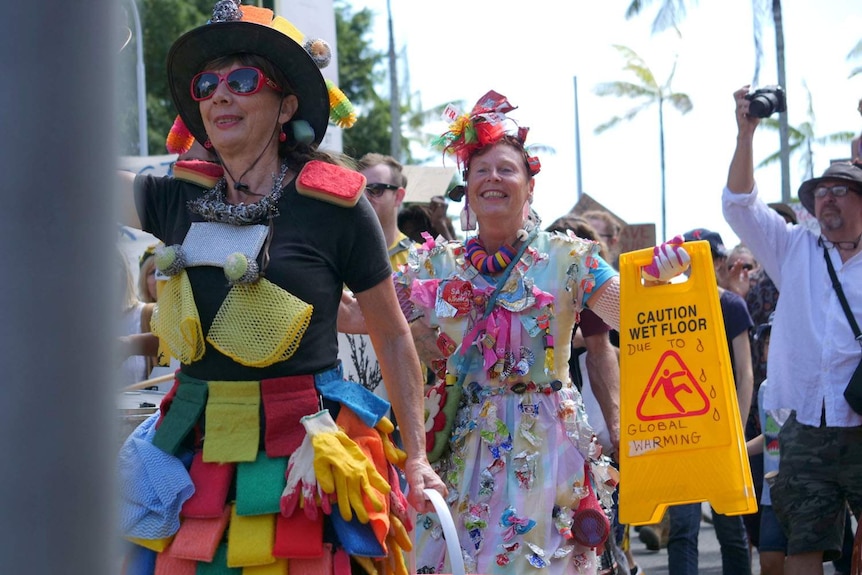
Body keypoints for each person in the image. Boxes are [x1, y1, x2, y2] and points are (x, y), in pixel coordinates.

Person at [116, 2, 445, 573]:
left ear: (286, 104)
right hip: (192, 449)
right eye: (207, 83)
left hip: (305, 455)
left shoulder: (338, 208)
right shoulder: (173, 196)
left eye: (242, 80)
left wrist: (415, 457)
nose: (220, 95)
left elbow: (393, 336)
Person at [400, 90, 689, 575]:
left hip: (549, 443)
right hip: (463, 444)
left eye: (507, 169)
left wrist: (663, 280)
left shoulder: (569, 258)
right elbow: (370, 315)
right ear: (467, 187)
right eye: (481, 170)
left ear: (530, 188)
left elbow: (628, 314)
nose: (493, 178)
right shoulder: (434, 262)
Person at [724, 85, 862, 575]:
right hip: (802, 425)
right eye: (820, 192)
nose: (827, 199)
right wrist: (746, 134)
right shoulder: (793, 249)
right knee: (802, 547)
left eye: (840, 190)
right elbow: (740, 204)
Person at [664, 228, 754, 575]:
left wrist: (738, 433)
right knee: (683, 531)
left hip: (722, 434)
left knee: (731, 532)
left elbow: (745, 374)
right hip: (680, 434)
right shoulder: (666, 304)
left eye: (707, 256)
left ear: (719, 261)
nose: (697, 264)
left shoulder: (730, 304)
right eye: (687, 257)